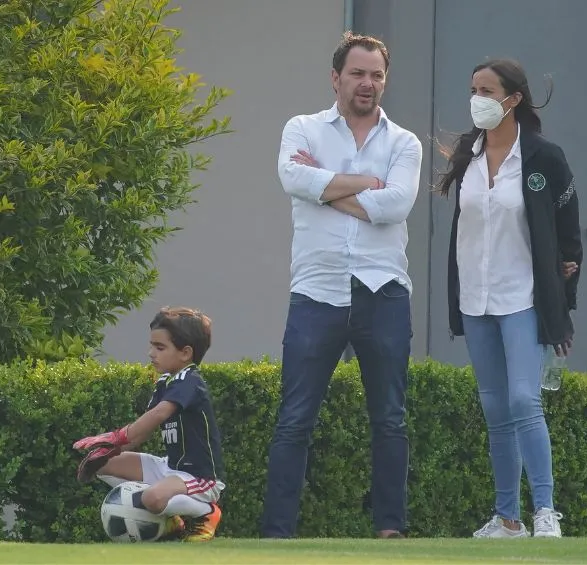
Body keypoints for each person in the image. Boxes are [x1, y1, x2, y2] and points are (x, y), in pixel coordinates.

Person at [260, 31, 423, 539]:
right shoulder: (303, 128)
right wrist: (365, 183)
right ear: (336, 77)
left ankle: (390, 529)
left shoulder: (405, 142)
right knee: (294, 420)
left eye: (376, 75)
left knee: (390, 419)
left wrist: (325, 187)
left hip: (383, 292)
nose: (367, 84)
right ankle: (277, 534)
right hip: (317, 291)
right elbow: (292, 178)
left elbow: (396, 205)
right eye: (357, 73)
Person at [437, 58, 582, 538]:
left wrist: (563, 304)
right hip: (476, 301)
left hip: (522, 298)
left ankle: (545, 511)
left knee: (524, 400)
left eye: (487, 89)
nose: (477, 97)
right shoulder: (468, 155)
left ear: (513, 99)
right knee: (495, 408)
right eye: (473, 87)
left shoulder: (544, 158)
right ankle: (507, 518)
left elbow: (568, 240)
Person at [73, 307, 226, 542]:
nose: (151, 353)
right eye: (152, 345)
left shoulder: (190, 380)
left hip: (199, 477)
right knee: (102, 464)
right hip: (170, 468)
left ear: (185, 353)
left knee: (151, 499)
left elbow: (159, 413)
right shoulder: (165, 380)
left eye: (160, 347)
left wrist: (117, 436)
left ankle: (207, 513)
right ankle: (171, 520)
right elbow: (143, 430)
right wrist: (111, 448)